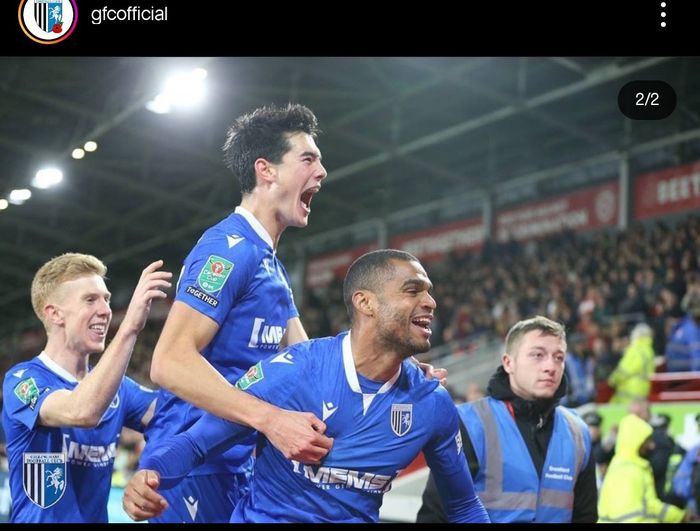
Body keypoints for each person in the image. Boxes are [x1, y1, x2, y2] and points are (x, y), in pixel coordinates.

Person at [140, 105, 444, 523]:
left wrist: (401, 368)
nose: (322, 172)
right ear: (266, 171)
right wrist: (271, 419)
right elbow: (169, 362)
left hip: (240, 463)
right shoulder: (226, 250)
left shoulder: (272, 267)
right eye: (308, 159)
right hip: (193, 464)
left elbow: (317, 360)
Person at [123, 250, 489, 523]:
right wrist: (149, 474)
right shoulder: (295, 371)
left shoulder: (432, 402)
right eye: (413, 291)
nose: (430, 302)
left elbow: (463, 505)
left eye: (429, 292)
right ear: (365, 303)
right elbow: (196, 443)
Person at [2, 253, 171, 522]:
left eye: (106, 298)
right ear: (55, 313)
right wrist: (129, 327)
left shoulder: (120, 388)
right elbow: (81, 411)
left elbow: (177, 416)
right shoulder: (23, 381)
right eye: (90, 299)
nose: (105, 310)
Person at [416, 315, 598, 523]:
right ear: (508, 363)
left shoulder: (578, 432)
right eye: (538, 355)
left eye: (558, 357)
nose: (551, 366)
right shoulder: (470, 423)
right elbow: (436, 514)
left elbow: (586, 516)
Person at [598, 413, 690, 522]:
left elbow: (650, 506)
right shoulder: (629, 471)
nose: (652, 445)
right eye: (647, 441)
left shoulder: (629, 466)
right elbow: (631, 517)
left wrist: (680, 516)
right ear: (635, 442)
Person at [608, 322, 655, 404]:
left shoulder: (634, 350)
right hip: (644, 389)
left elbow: (624, 370)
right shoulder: (649, 351)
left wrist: (612, 379)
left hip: (629, 392)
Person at [665, 289, 700, 371]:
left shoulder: (681, 327)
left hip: (674, 378)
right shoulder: (692, 330)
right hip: (686, 380)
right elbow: (697, 364)